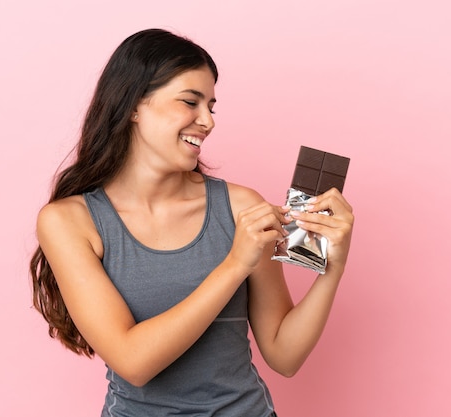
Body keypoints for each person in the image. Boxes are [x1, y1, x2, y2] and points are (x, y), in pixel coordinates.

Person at [30, 28, 354, 417]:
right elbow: (133, 362)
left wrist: (331, 266)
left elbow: (284, 355)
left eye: (211, 107)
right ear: (133, 105)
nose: (208, 121)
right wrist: (236, 263)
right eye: (190, 102)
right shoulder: (70, 221)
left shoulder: (239, 207)